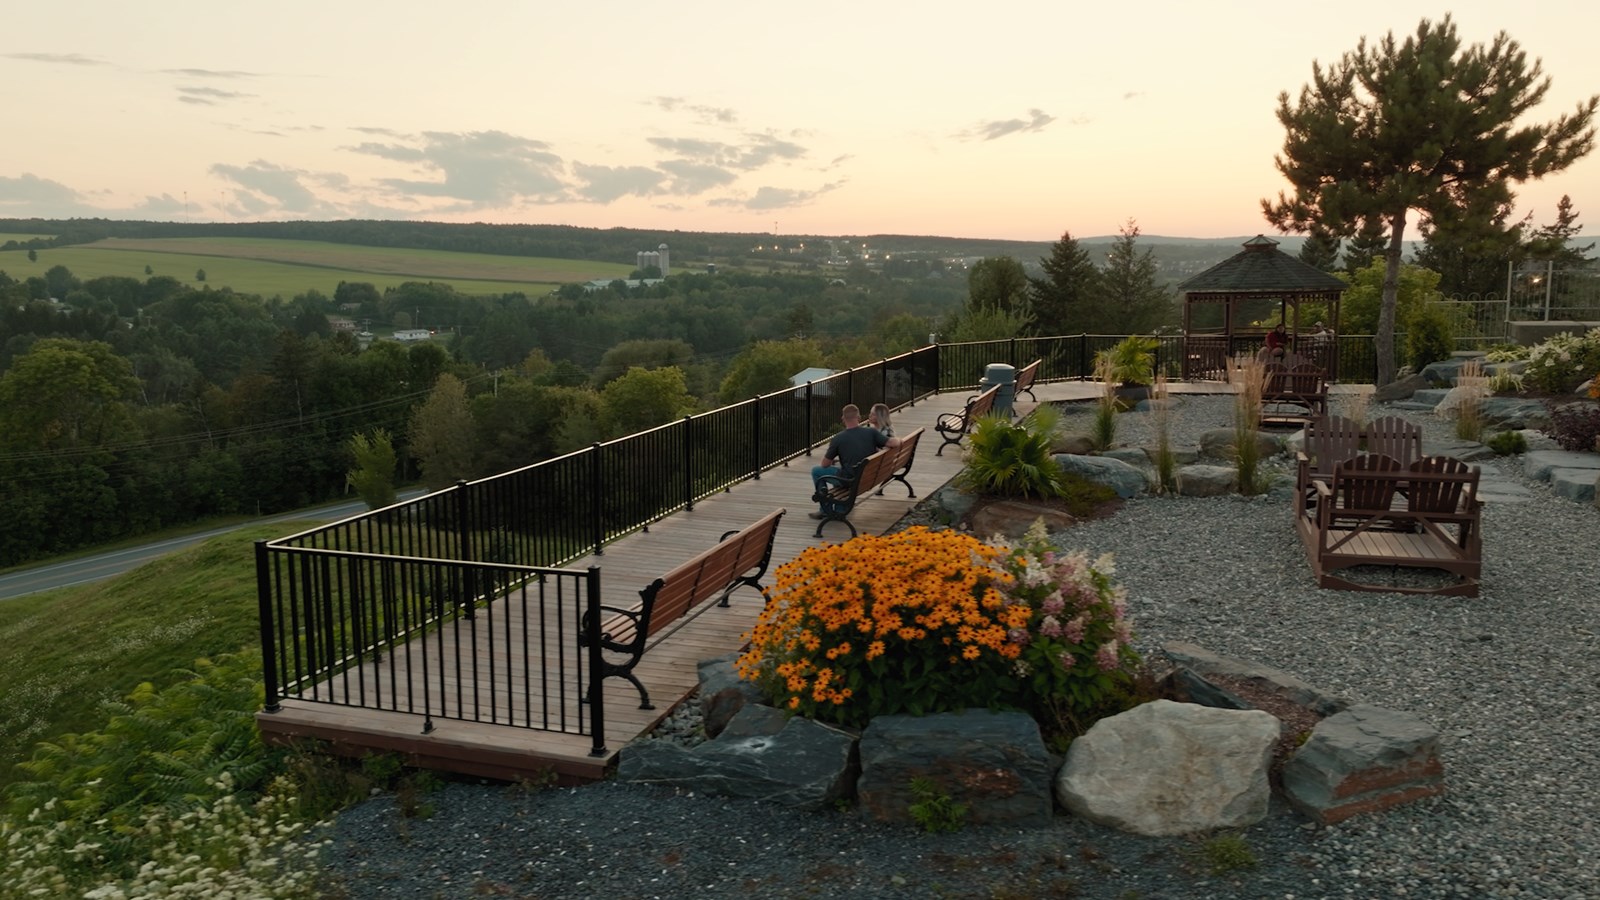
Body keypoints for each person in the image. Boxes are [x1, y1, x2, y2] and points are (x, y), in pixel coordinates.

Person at [810, 404, 900, 520]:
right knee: (843, 470)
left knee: (817, 471)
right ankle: (840, 509)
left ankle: (825, 509)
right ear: (859, 418)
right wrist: (899, 439)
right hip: (867, 478)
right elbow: (894, 443)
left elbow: (824, 464)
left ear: (843, 419)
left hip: (850, 480)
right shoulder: (871, 433)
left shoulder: (838, 438)